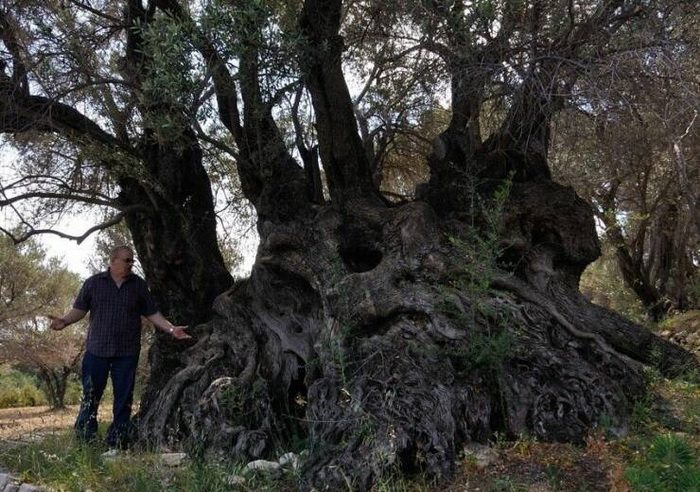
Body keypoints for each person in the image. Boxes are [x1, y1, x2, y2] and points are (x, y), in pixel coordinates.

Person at [49, 245, 190, 449]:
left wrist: (171, 329)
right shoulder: (93, 283)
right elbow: (79, 309)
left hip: (126, 352)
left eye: (132, 260)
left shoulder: (138, 285)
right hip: (96, 350)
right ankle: (85, 440)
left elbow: (152, 313)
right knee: (90, 396)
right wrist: (64, 321)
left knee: (123, 399)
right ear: (113, 260)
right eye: (127, 260)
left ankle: (117, 442)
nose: (131, 264)